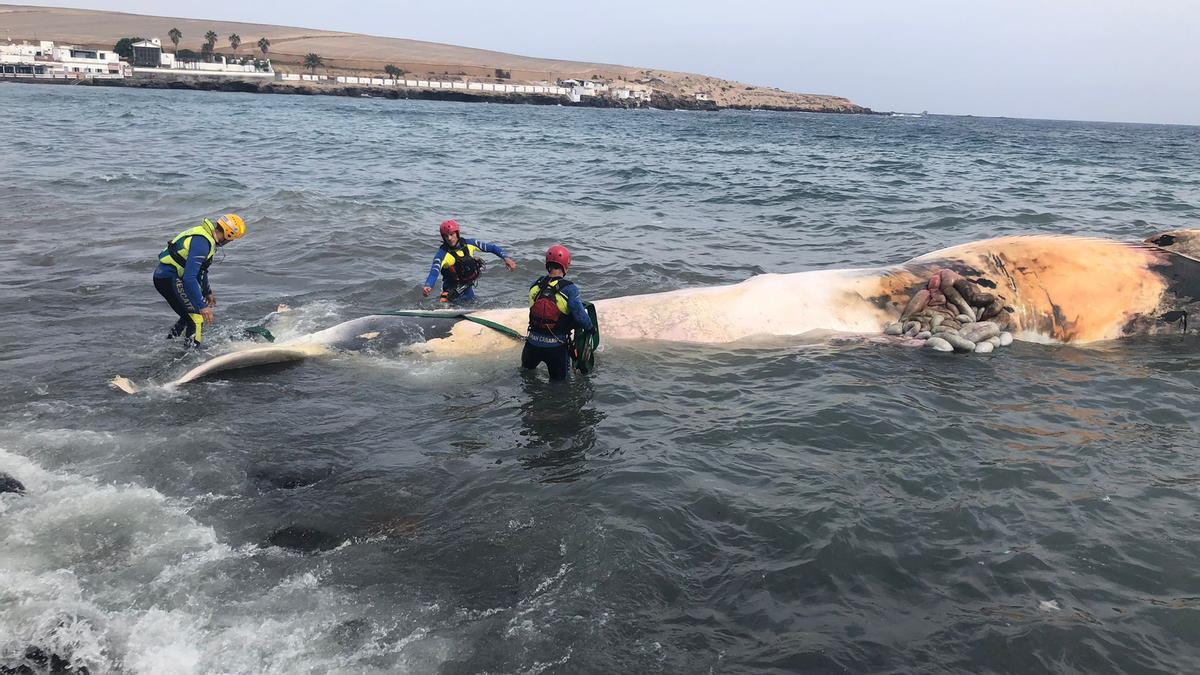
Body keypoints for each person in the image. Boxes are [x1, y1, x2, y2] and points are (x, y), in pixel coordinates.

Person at [152, 213, 246, 346]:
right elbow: (189, 278)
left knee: (189, 314)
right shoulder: (202, 243)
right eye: (232, 239)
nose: (231, 242)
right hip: (167, 279)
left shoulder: (206, 237)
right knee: (197, 317)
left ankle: (169, 345)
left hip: (168, 277)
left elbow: (201, 270)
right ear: (228, 234)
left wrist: (207, 292)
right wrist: (203, 306)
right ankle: (192, 356)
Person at [522, 244, 594, 381]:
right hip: (556, 348)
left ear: (547, 264)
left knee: (526, 377)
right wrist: (591, 329)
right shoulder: (570, 289)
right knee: (559, 387)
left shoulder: (535, 285)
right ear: (566, 265)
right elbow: (580, 317)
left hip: (531, 345)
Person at [422, 219, 516, 303]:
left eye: (451, 234)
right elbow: (434, 272)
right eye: (446, 236)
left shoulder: (469, 244)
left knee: (472, 304)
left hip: (467, 287)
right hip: (452, 289)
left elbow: (492, 248)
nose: (449, 238)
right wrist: (428, 285)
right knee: (450, 304)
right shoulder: (442, 254)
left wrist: (506, 258)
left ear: (457, 233)